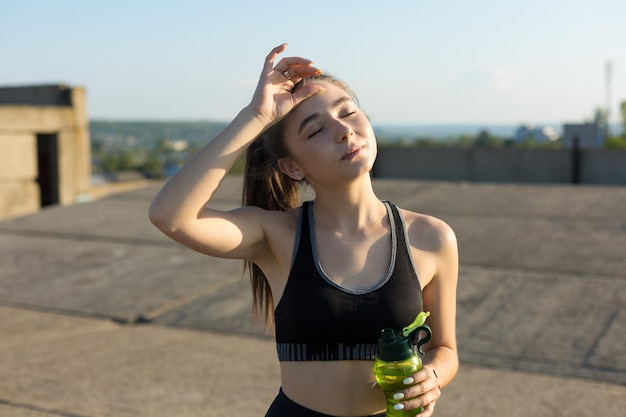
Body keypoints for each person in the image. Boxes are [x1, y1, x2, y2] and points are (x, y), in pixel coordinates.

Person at [149, 43, 459, 417]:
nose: (345, 131)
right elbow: (171, 215)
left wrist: (433, 377)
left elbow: (445, 349)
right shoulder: (276, 236)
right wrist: (255, 115)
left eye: (349, 112)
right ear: (292, 167)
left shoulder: (431, 237)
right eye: (316, 131)